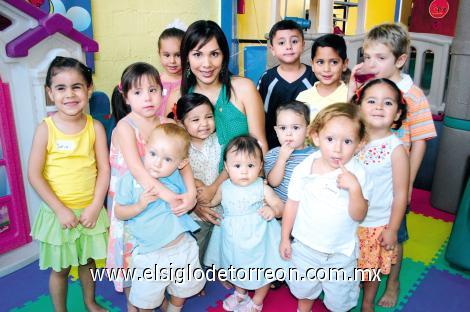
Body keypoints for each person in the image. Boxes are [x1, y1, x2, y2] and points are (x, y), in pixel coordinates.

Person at [348, 23, 437, 308]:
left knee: (393, 236)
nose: (370, 63)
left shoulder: (413, 95)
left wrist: (408, 182)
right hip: (365, 177)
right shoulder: (366, 88)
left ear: (399, 60)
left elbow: (421, 140)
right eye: (367, 56)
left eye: (380, 58)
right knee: (360, 232)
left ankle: (393, 281)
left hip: (394, 178)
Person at [106, 62, 196, 311]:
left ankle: (161, 293)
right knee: (132, 254)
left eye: (153, 90)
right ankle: (133, 302)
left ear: (162, 92)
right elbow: (137, 170)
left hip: (160, 204)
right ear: (125, 96)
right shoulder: (125, 127)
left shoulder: (167, 125)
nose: (147, 98)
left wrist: (190, 193)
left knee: (162, 249)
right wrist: (170, 196)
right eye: (137, 92)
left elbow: (184, 162)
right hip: (134, 199)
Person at [28, 56, 110, 312]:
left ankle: (90, 301)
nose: (69, 94)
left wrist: (96, 205)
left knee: (88, 263)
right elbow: (34, 174)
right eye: (61, 88)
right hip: (58, 214)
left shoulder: (95, 128)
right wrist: (59, 209)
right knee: (61, 269)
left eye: (77, 86)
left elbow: (104, 169)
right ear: (50, 93)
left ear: (89, 90)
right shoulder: (46, 129)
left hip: (89, 210)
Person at [280, 103, 373, 312]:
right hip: (305, 247)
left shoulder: (359, 174)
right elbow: (292, 204)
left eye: (347, 141)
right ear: (315, 137)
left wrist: (355, 189)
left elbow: (359, 215)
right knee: (303, 290)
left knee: (339, 301)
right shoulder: (305, 167)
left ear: (360, 144)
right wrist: (285, 237)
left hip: (341, 253)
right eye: (330, 139)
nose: (337, 148)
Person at [114, 124, 205, 312]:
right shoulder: (131, 179)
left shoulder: (177, 177)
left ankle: (173, 308)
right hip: (150, 254)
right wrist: (140, 205)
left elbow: (192, 189)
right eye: (153, 154)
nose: (157, 163)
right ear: (146, 148)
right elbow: (119, 212)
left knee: (183, 289)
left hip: (182, 248)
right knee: (146, 300)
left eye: (167, 159)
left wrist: (192, 195)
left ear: (180, 163)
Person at [204, 135, 286, 312]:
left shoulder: (261, 187)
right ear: (226, 166)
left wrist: (273, 211)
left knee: (263, 269)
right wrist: (198, 202)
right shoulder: (224, 187)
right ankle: (240, 293)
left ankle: (257, 301)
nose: (244, 171)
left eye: (250, 165)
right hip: (233, 241)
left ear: (260, 166)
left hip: (259, 240)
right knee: (235, 266)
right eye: (237, 165)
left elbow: (280, 206)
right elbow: (212, 202)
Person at [167, 20, 268, 159]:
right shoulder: (177, 97)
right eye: (197, 54)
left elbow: (260, 145)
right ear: (187, 58)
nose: (207, 64)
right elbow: (170, 151)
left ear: (224, 56)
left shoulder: (245, 89)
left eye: (214, 54)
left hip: (242, 179)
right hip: (192, 180)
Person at [353, 78, 409, 312]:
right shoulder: (352, 140)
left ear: (396, 114)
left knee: (372, 267)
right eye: (372, 101)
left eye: (387, 103)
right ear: (360, 107)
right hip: (349, 219)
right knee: (352, 262)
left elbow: (400, 195)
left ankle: (367, 304)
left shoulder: (395, 149)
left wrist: (393, 229)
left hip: (376, 222)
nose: (378, 107)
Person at [171, 93, 227, 264]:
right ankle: (195, 279)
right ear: (181, 123)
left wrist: (213, 187)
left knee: (222, 248)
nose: (204, 124)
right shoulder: (179, 148)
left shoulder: (220, 141)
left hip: (223, 209)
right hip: (195, 214)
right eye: (195, 120)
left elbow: (229, 167)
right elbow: (176, 180)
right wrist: (195, 205)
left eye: (209, 117)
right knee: (196, 249)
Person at [258, 19, 317, 149]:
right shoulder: (267, 79)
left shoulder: (314, 77)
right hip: (273, 149)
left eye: (294, 41)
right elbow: (259, 116)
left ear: (303, 45)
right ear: (272, 49)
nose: (288, 46)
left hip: (308, 149)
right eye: (281, 42)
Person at [264, 101, 315, 203]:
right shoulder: (273, 154)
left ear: (308, 131)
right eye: (283, 128)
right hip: (281, 205)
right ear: (276, 131)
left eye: (295, 127)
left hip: (304, 206)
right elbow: (273, 183)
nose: (288, 133)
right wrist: (282, 159)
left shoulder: (316, 155)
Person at [296, 34, 349, 121]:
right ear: (312, 64)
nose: (326, 69)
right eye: (320, 62)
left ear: (345, 64)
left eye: (334, 62)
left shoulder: (349, 96)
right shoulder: (303, 97)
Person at [157, 27, 185, 116]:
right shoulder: (154, 81)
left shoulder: (188, 82)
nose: (172, 61)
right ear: (159, 54)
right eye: (167, 55)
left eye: (178, 55)